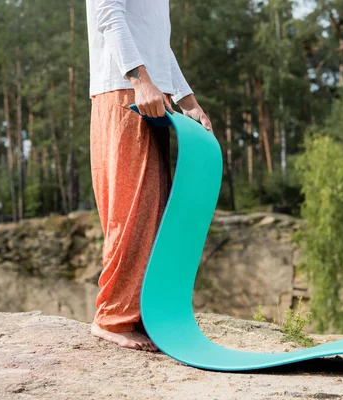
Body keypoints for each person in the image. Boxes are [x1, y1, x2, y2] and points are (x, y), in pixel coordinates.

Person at [86, 0, 212, 352]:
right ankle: (113, 317)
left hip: (151, 95)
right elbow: (107, 13)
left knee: (153, 209)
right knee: (132, 210)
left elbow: (157, 45)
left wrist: (187, 100)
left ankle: (143, 313)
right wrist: (139, 81)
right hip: (126, 91)